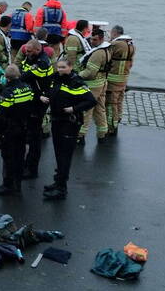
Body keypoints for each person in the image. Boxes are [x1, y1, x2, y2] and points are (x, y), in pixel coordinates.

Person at [39, 58, 96, 201]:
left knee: (65, 156)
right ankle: (57, 181)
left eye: (63, 67)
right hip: (57, 120)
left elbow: (91, 101)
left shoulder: (76, 82)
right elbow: (52, 92)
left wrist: (74, 109)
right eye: (58, 67)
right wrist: (44, 97)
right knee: (58, 154)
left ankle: (61, 189)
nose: (60, 70)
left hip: (69, 123)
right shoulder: (56, 79)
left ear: (70, 67)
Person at [0, 64, 34, 197]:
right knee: (20, 156)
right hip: (24, 127)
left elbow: (1, 115)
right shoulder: (27, 88)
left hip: (10, 129)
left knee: (8, 157)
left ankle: (7, 184)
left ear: (6, 77)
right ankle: (18, 183)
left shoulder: (7, 92)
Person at [18, 40, 54, 180]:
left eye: (29, 51)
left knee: (34, 137)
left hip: (39, 101)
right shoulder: (32, 57)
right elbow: (22, 69)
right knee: (29, 134)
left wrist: (16, 76)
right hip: (33, 98)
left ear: (38, 49)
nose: (26, 53)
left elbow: (24, 76)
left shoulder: (43, 62)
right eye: (26, 51)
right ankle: (27, 164)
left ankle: (32, 169)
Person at [77, 28, 111, 145]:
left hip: (93, 85)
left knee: (86, 110)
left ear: (101, 39)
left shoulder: (97, 53)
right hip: (102, 82)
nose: (92, 41)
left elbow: (90, 72)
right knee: (100, 109)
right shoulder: (107, 50)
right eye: (91, 38)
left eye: (95, 39)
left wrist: (77, 76)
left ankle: (80, 136)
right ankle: (102, 134)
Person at [105, 25, 134, 136]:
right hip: (124, 78)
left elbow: (106, 56)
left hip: (113, 78)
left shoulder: (116, 44)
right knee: (119, 101)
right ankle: (118, 119)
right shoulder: (131, 44)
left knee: (111, 102)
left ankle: (112, 126)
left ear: (114, 33)